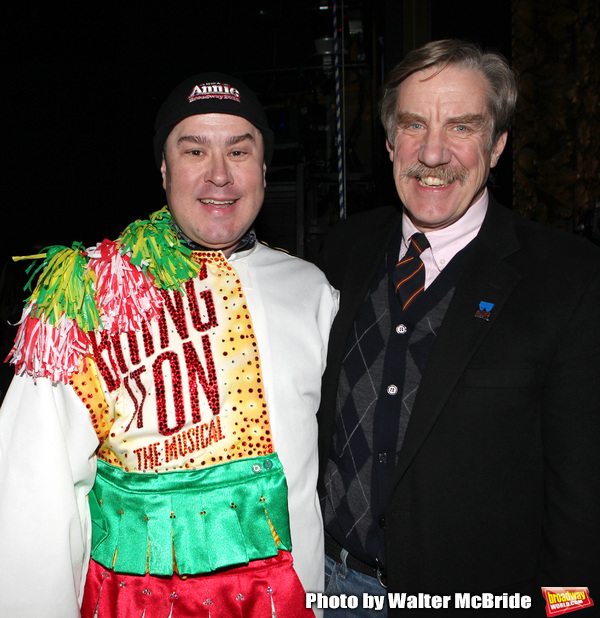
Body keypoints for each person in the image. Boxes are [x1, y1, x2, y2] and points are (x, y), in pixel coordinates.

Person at [0, 72, 338, 617]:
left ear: (264, 167)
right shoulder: (87, 295)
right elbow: (30, 499)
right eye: (195, 150)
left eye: (239, 150)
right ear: (163, 168)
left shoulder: (310, 289)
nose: (220, 174)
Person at [318, 39, 600, 616]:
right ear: (391, 139)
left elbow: (583, 501)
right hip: (330, 586)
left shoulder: (569, 280)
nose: (433, 152)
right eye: (414, 125)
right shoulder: (341, 252)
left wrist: (569, 611)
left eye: (463, 127)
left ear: (497, 146)